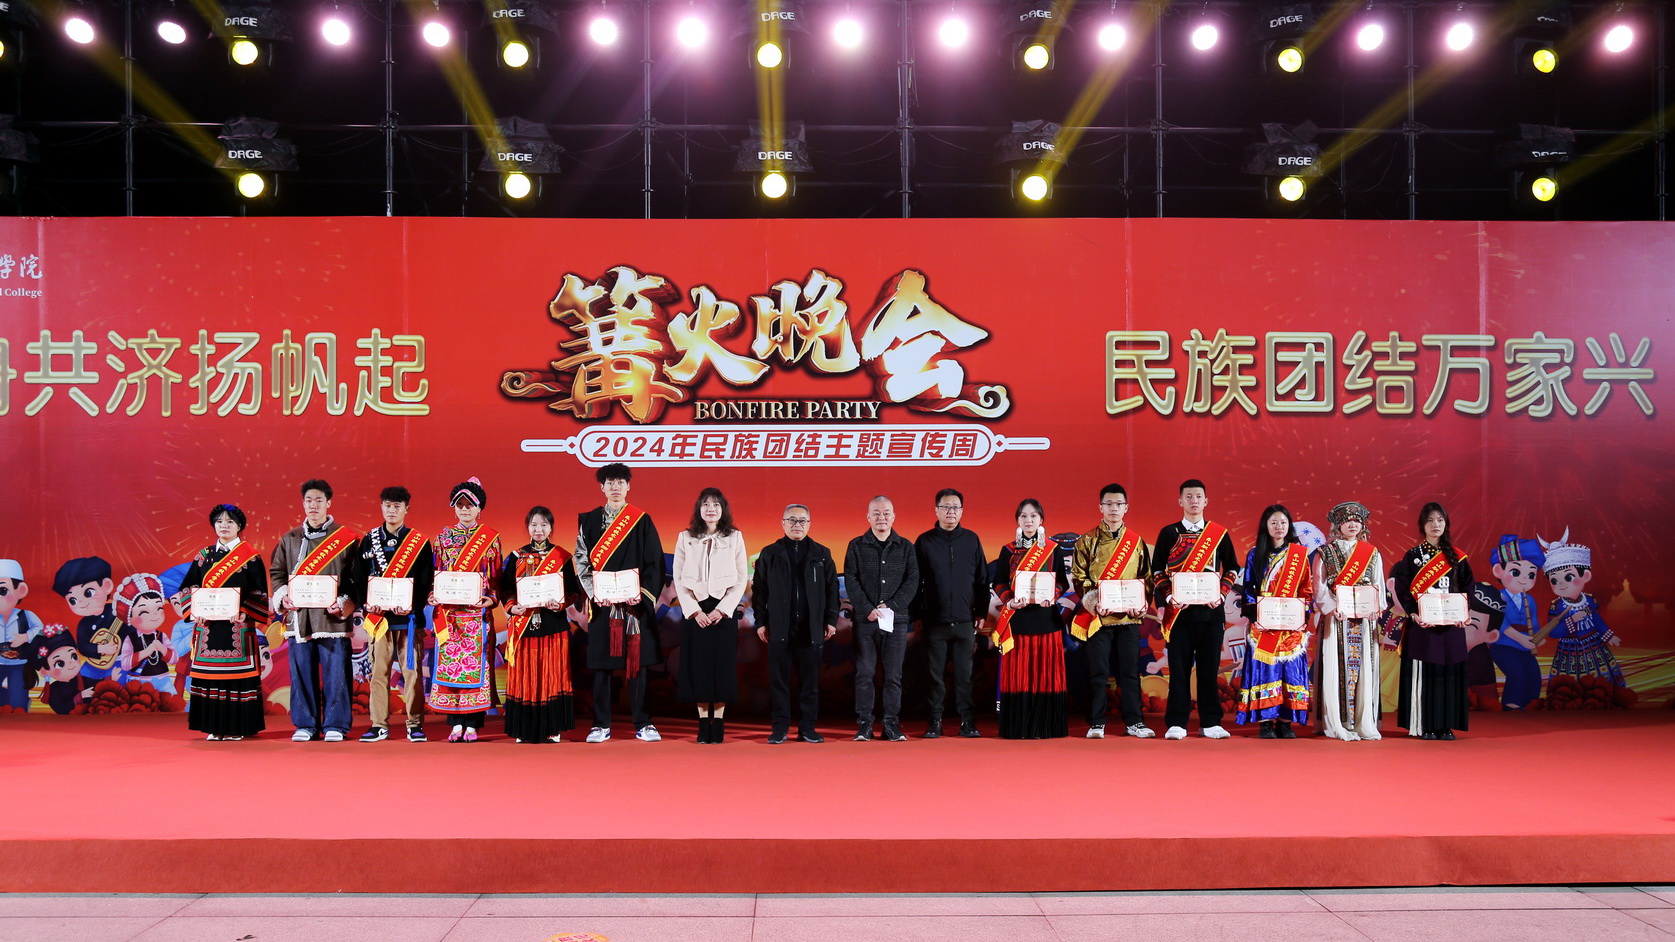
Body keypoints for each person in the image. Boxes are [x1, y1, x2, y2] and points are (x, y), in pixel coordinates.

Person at [575, 462, 667, 743]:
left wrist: (641, 594)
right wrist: (595, 593)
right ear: (602, 487)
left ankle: (644, 723)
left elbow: (655, 562)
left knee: (638, 665)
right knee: (602, 666)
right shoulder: (589, 520)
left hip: (634, 605)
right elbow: (581, 560)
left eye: (620, 482)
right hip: (603, 604)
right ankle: (600, 725)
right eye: (610, 483)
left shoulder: (641, 520)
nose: (615, 487)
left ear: (628, 486)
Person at [270, 479, 360, 743]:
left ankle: (336, 724)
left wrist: (344, 602)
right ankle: (305, 724)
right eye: (308, 500)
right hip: (299, 618)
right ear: (303, 503)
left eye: (319, 500)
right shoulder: (290, 538)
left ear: (329, 503)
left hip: (332, 619)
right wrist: (283, 596)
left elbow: (355, 578)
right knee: (301, 673)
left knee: (336, 674)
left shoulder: (345, 538)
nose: (313, 505)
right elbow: (277, 572)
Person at [1149, 479, 1240, 740]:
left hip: (1211, 613)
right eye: (1188, 496)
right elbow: (1157, 570)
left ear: (1206, 501)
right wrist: (1170, 596)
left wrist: (1221, 594)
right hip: (1179, 613)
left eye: (1198, 496)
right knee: (1178, 669)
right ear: (1180, 501)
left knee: (1209, 669)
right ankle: (1177, 722)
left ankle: (1210, 722)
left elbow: (1232, 568)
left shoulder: (1218, 533)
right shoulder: (1169, 533)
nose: (1194, 501)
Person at [352, 486, 437, 742]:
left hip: (408, 620)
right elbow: (359, 577)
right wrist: (367, 604)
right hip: (379, 621)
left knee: (412, 674)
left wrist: (413, 604)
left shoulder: (419, 542)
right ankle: (379, 724)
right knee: (379, 674)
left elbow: (425, 579)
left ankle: (414, 724)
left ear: (406, 509)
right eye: (388, 505)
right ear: (381, 507)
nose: (392, 510)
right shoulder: (369, 540)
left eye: (397, 506)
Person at [177, 504, 269, 740]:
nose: (224, 526)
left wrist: (245, 612)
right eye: (219, 522)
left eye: (229, 522)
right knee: (210, 679)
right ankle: (213, 728)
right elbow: (188, 587)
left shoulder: (250, 557)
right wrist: (195, 609)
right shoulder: (204, 556)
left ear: (239, 527)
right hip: (209, 628)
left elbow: (259, 592)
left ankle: (236, 728)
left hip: (237, 628)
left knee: (236, 680)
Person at [1070, 483, 1153, 739]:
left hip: (1129, 617)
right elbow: (1079, 577)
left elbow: (1146, 578)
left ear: (1126, 508)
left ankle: (1135, 722)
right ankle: (1097, 722)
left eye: (1118, 504)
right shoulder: (1086, 541)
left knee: (1130, 672)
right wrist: (1094, 601)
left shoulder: (1136, 542)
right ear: (1100, 507)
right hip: (1099, 617)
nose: (1113, 508)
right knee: (1098, 672)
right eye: (1109, 504)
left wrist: (1142, 603)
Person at [753, 504, 841, 744]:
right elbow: (759, 591)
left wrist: (830, 620)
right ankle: (779, 728)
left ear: (809, 524)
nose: (797, 525)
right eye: (792, 520)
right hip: (779, 627)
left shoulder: (822, 554)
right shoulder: (770, 553)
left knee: (810, 684)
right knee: (778, 682)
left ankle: (807, 728)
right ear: (782, 523)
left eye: (802, 521)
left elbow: (832, 590)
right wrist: (761, 622)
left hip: (811, 628)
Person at [500, 505, 583, 744]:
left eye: (544, 525)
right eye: (534, 524)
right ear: (528, 527)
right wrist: (512, 606)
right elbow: (505, 589)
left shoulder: (562, 557)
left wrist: (561, 604)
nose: (539, 529)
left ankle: (552, 728)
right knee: (525, 677)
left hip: (553, 625)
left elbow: (573, 591)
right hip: (524, 625)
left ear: (551, 528)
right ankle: (524, 729)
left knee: (552, 676)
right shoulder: (516, 557)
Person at [1391, 502, 1473, 740]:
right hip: (1423, 626)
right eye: (1430, 521)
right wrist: (1413, 613)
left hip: (1451, 626)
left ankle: (1445, 725)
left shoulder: (1457, 557)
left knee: (1449, 674)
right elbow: (1403, 588)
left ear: (1446, 523)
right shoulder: (1413, 556)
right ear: (1422, 525)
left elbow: (1468, 587)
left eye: (1440, 520)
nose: (1435, 525)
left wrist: (1464, 612)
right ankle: (1425, 725)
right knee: (1425, 674)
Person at [673, 488, 750, 743]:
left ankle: (718, 721)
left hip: (722, 612)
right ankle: (702, 721)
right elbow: (678, 578)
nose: (711, 509)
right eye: (706, 504)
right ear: (699, 508)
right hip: (695, 611)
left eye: (716, 505)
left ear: (723, 509)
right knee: (698, 666)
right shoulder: (685, 537)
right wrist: (694, 610)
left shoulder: (734, 537)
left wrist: (722, 609)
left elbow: (741, 578)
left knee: (722, 667)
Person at [991, 498, 1072, 739]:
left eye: (1033, 516)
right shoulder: (1008, 550)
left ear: (1041, 520)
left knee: (1045, 676)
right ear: (1017, 520)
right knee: (1020, 676)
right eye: (1024, 516)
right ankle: (1019, 728)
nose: (1029, 520)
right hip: (1018, 621)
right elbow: (999, 583)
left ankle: (1045, 728)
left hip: (1046, 620)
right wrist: (1009, 601)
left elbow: (1062, 582)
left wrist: (1053, 595)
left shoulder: (1053, 549)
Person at [428, 479, 502, 743]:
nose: (464, 509)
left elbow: (496, 577)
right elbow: (435, 573)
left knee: (475, 668)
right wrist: (433, 595)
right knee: (451, 669)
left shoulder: (490, 539)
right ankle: (455, 723)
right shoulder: (442, 539)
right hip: (450, 616)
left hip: (476, 615)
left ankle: (473, 724)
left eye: (469, 505)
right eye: (459, 505)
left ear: (479, 508)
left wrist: (491, 599)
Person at [913, 488, 989, 738]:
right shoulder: (924, 542)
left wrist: (980, 611)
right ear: (936, 510)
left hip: (965, 621)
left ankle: (968, 721)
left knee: (965, 677)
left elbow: (981, 580)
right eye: (945, 507)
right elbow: (915, 582)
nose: (950, 512)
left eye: (955, 507)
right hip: (934, 622)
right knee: (934, 677)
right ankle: (935, 721)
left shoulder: (971, 540)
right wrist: (917, 616)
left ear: (962, 511)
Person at [845, 495, 919, 742]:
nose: (881, 517)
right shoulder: (856, 546)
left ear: (894, 517)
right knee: (864, 673)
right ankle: (865, 724)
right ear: (868, 517)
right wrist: (867, 608)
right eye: (876, 513)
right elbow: (851, 580)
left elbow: (912, 581)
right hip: (865, 620)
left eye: (886, 513)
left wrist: (892, 606)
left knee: (893, 676)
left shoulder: (906, 547)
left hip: (896, 620)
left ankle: (891, 725)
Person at [1311, 501, 1387, 742]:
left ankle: (1362, 723)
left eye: (1357, 520)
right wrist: (1332, 608)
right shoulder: (1325, 552)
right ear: (1338, 525)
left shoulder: (1371, 553)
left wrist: (1376, 607)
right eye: (1347, 520)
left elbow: (1378, 584)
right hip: (1337, 619)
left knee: (1363, 668)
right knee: (1335, 666)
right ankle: (1338, 722)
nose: (1352, 524)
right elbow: (1319, 586)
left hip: (1363, 621)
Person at [1235, 505, 1313, 739]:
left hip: (1291, 625)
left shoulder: (1299, 555)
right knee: (1266, 672)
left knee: (1290, 673)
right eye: (1274, 523)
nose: (1279, 527)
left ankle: (1286, 722)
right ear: (1266, 526)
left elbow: (1305, 588)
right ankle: (1266, 722)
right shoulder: (1255, 554)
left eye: (1283, 522)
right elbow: (1249, 587)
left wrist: (1302, 615)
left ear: (1289, 526)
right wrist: (1256, 615)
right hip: (1264, 624)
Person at [1539, 530, 1626, 693]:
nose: (1561, 584)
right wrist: (1571, 621)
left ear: (1585, 576)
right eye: (1554, 580)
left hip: (1594, 645)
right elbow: (1553, 632)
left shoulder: (1590, 600)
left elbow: (1598, 621)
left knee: (1600, 679)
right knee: (1568, 684)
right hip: (1568, 650)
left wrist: (1609, 636)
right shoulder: (1557, 606)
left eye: (1568, 577)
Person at [1488, 534, 1546, 710]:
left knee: (1534, 675)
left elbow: (1533, 623)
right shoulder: (1498, 596)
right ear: (1498, 571)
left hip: (1525, 646)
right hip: (1503, 645)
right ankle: (1511, 709)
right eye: (1515, 572)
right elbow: (1500, 622)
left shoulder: (1530, 600)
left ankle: (1529, 707)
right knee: (1517, 674)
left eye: (1531, 574)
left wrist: (1538, 637)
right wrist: (1519, 638)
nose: (1524, 579)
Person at [115, 573, 177, 694]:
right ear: (129, 616)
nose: (154, 615)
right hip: (139, 683)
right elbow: (125, 664)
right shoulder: (131, 638)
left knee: (172, 703)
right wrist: (146, 652)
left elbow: (174, 659)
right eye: (144, 611)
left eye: (159, 608)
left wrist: (162, 648)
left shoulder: (162, 636)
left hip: (163, 681)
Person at [0, 559, 43, 709]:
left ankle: (19, 701)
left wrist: (26, 637)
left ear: (21, 590)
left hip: (19, 663)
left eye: (2, 591)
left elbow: (40, 629)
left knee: (17, 704)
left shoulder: (25, 615)